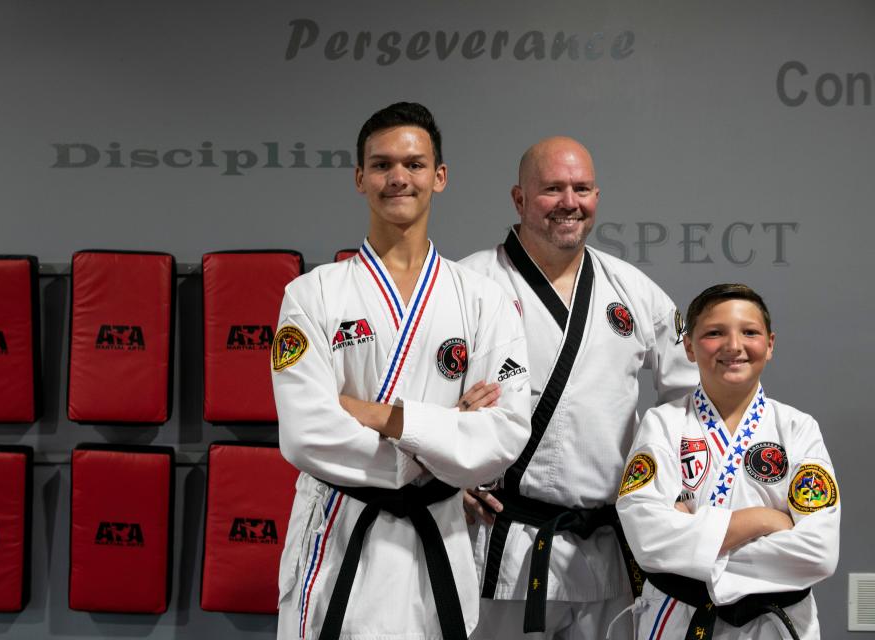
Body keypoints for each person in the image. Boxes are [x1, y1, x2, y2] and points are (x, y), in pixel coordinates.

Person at [271, 102, 532, 640]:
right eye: (382, 164)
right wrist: (441, 436)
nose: (398, 178)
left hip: (438, 534)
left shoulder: (483, 300)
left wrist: (376, 415)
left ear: (439, 177)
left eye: (414, 165)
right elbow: (305, 433)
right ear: (359, 178)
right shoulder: (312, 294)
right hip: (340, 534)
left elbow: (504, 434)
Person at [460, 136, 697, 639]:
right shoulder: (468, 284)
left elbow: (692, 396)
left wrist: (675, 485)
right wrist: (441, 481)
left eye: (582, 188)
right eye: (552, 189)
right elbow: (416, 399)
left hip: (606, 549)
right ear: (519, 199)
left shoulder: (631, 288)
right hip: (505, 547)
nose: (570, 202)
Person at [616, 284, 839, 639]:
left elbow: (819, 551)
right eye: (714, 333)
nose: (733, 346)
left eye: (750, 332)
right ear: (688, 346)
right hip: (678, 620)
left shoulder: (797, 428)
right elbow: (648, 539)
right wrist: (762, 520)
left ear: (770, 345)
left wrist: (693, 545)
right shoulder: (662, 424)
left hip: (775, 624)